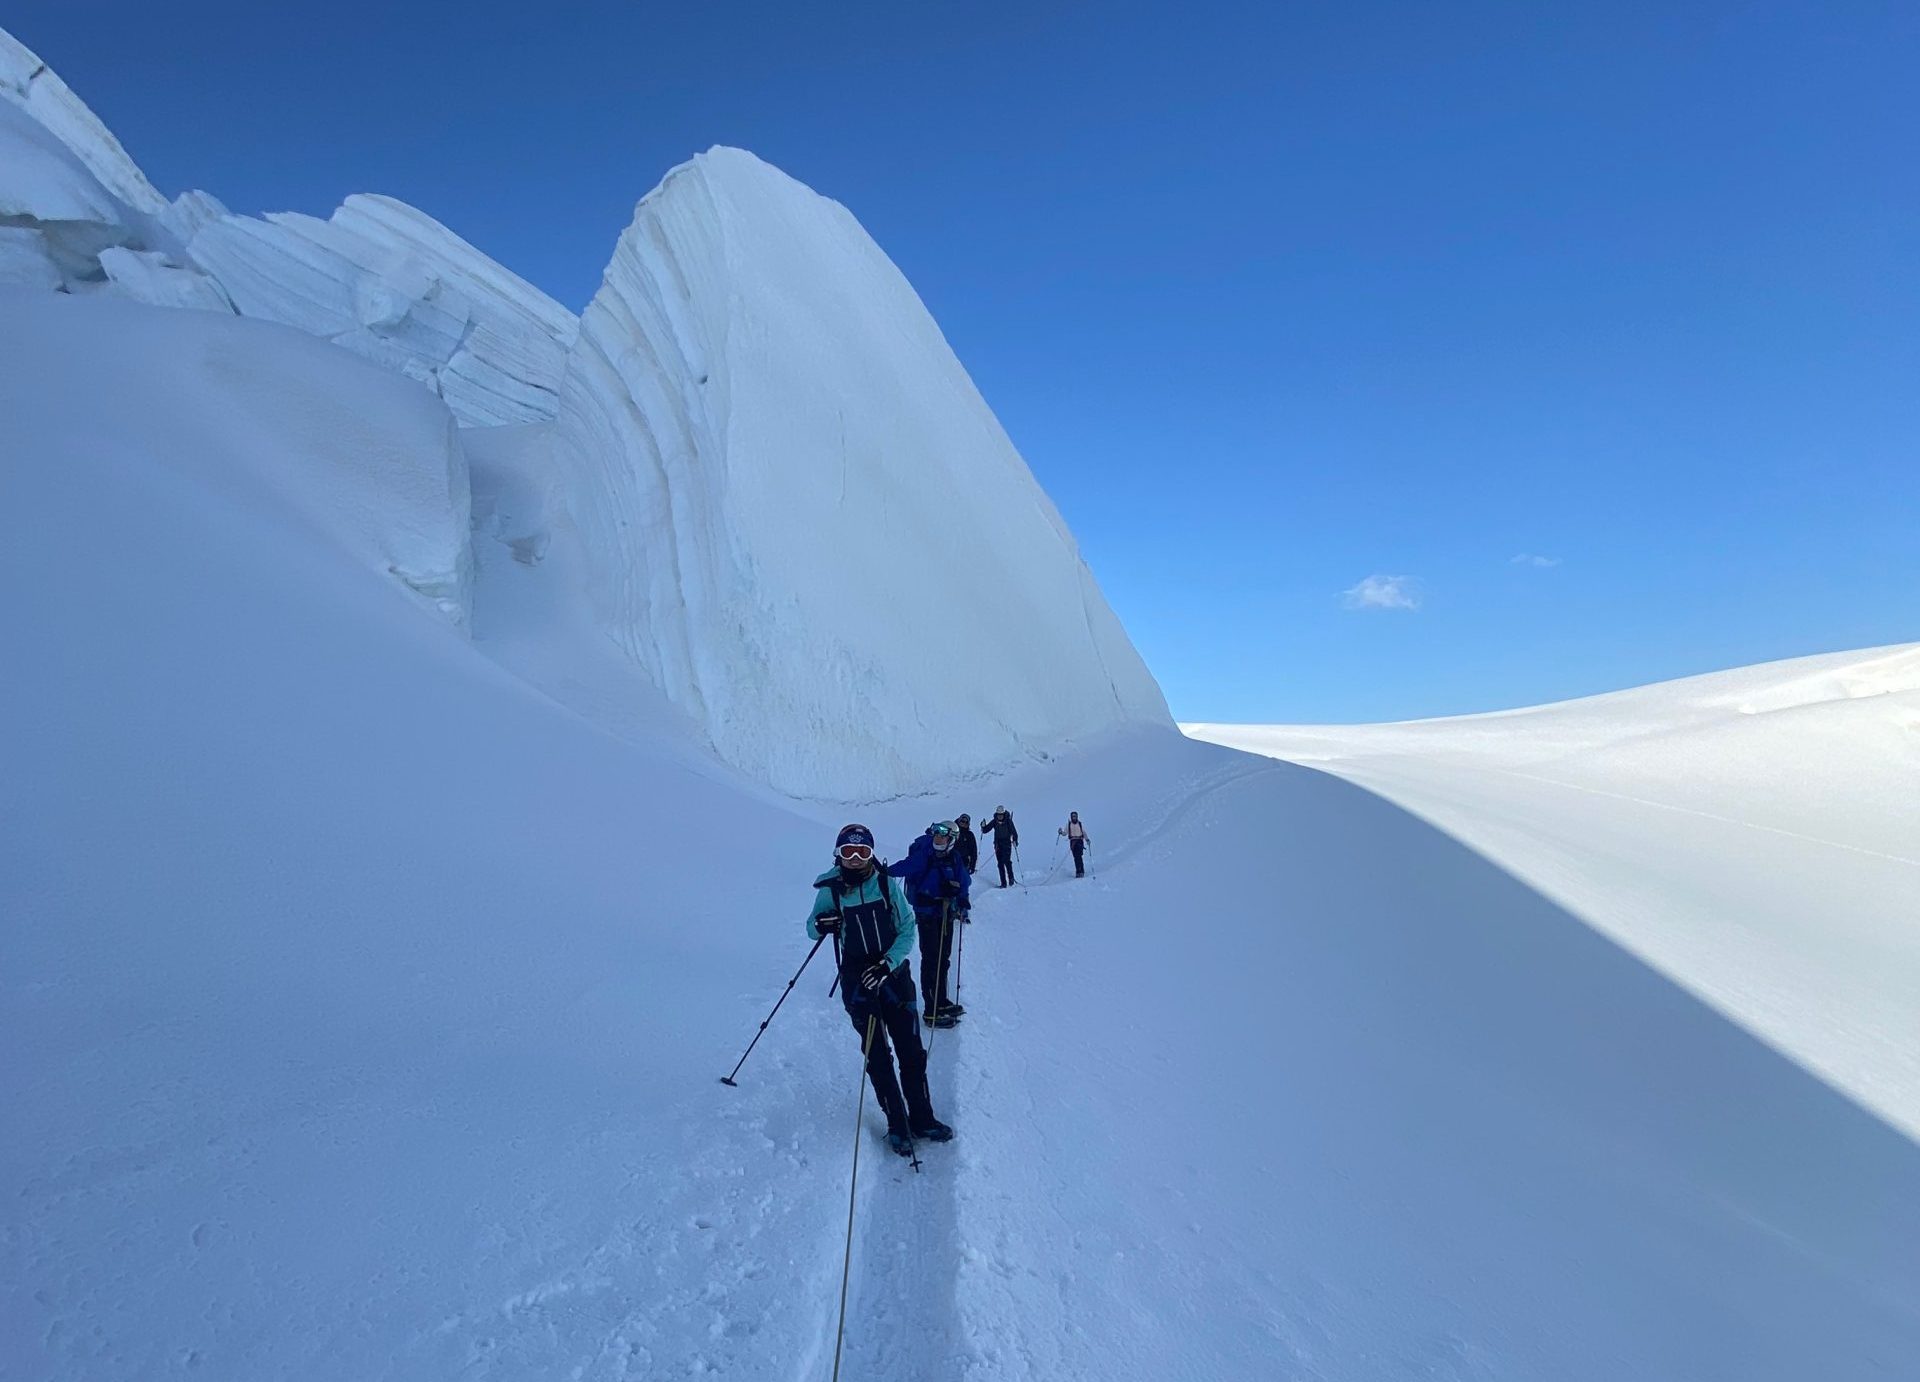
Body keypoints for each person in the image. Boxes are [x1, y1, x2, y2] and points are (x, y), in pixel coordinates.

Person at [807, 824, 954, 1154]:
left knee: (911, 1052)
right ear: (838, 854)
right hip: (858, 982)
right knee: (877, 1055)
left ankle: (922, 1118)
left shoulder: (886, 884)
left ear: (872, 854)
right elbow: (811, 929)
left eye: (863, 852)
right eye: (849, 852)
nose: (856, 859)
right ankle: (896, 1123)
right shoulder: (830, 889)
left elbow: (906, 928)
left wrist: (888, 963)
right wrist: (821, 924)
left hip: (894, 977)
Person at [890, 820, 971, 1027]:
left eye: (943, 836)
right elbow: (905, 867)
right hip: (927, 915)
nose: (938, 839)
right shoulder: (925, 855)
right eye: (936, 835)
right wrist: (882, 871)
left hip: (945, 914)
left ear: (952, 839)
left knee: (943, 959)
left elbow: (964, 881)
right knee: (931, 960)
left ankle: (941, 1002)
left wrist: (962, 898)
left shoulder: (954, 858)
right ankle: (931, 1010)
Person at [980, 805, 1019, 887]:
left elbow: (1014, 832)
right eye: (998, 814)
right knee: (1000, 864)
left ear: (1004, 814)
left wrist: (1015, 840)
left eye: (1001, 814)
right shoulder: (994, 821)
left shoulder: (1008, 821)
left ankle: (1011, 879)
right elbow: (986, 830)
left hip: (1007, 844)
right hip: (998, 845)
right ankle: (1003, 883)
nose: (1000, 816)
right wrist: (983, 826)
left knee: (1007, 861)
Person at [1059, 811, 1090, 877]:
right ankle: (1079, 871)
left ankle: (1081, 871)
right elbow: (1065, 833)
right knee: (1076, 857)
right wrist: (1061, 832)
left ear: (1077, 816)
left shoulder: (1080, 824)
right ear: (1071, 817)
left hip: (1079, 841)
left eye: (1075, 816)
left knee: (1079, 856)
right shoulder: (1069, 825)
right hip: (1073, 842)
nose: (1074, 817)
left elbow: (1084, 832)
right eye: (1073, 816)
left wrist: (1087, 839)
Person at [954, 813, 980, 879]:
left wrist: (972, 866)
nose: (964, 823)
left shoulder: (969, 835)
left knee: (961, 883)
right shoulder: (952, 831)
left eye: (966, 822)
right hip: (951, 861)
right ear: (959, 821)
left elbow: (974, 851)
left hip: (964, 863)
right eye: (962, 821)